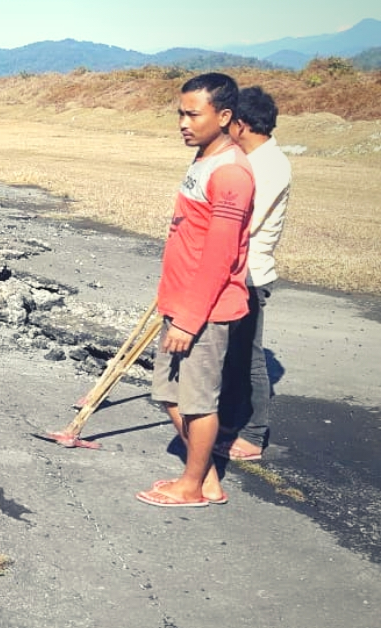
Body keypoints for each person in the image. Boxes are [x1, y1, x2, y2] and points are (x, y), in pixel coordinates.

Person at [136, 73, 254, 508]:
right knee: (170, 394)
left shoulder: (232, 174)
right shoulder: (205, 158)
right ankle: (203, 478)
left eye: (192, 114)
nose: (183, 123)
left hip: (204, 311)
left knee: (199, 402)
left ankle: (193, 487)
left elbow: (220, 256)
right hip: (181, 301)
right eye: (179, 114)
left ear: (223, 116)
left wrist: (188, 319)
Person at [216, 86, 292, 461]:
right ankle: (230, 420)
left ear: (241, 125)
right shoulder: (252, 159)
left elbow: (243, 222)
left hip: (250, 274)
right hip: (235, 269)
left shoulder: (270, 166)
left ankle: (254, 433)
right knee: (231, 353)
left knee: (249, 356)